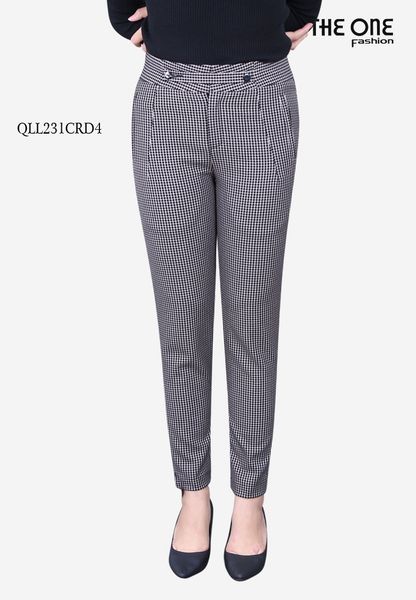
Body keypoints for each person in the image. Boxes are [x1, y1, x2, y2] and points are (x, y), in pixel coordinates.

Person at [107, 0, 322, 581]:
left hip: (259, 89)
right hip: (169, 89)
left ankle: (250, 498)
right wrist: (122, 9)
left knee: (253, 310)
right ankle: (193, 493)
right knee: (180, 312)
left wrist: (300, 9)